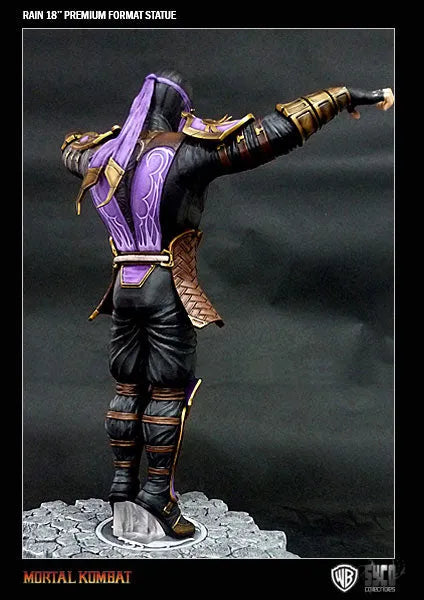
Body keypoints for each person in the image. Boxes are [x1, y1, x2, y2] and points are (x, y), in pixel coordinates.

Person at [61, 69, 393, 539]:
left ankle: (121, 484)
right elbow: (272, 134)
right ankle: (155, 496)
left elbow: (68, 149)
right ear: (181, 109)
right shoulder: (186, 151)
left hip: (123, 289)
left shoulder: (100, 155)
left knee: (128, 386)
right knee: (167, 391)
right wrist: (339, 97)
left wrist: (111, 139)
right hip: (166, 286)